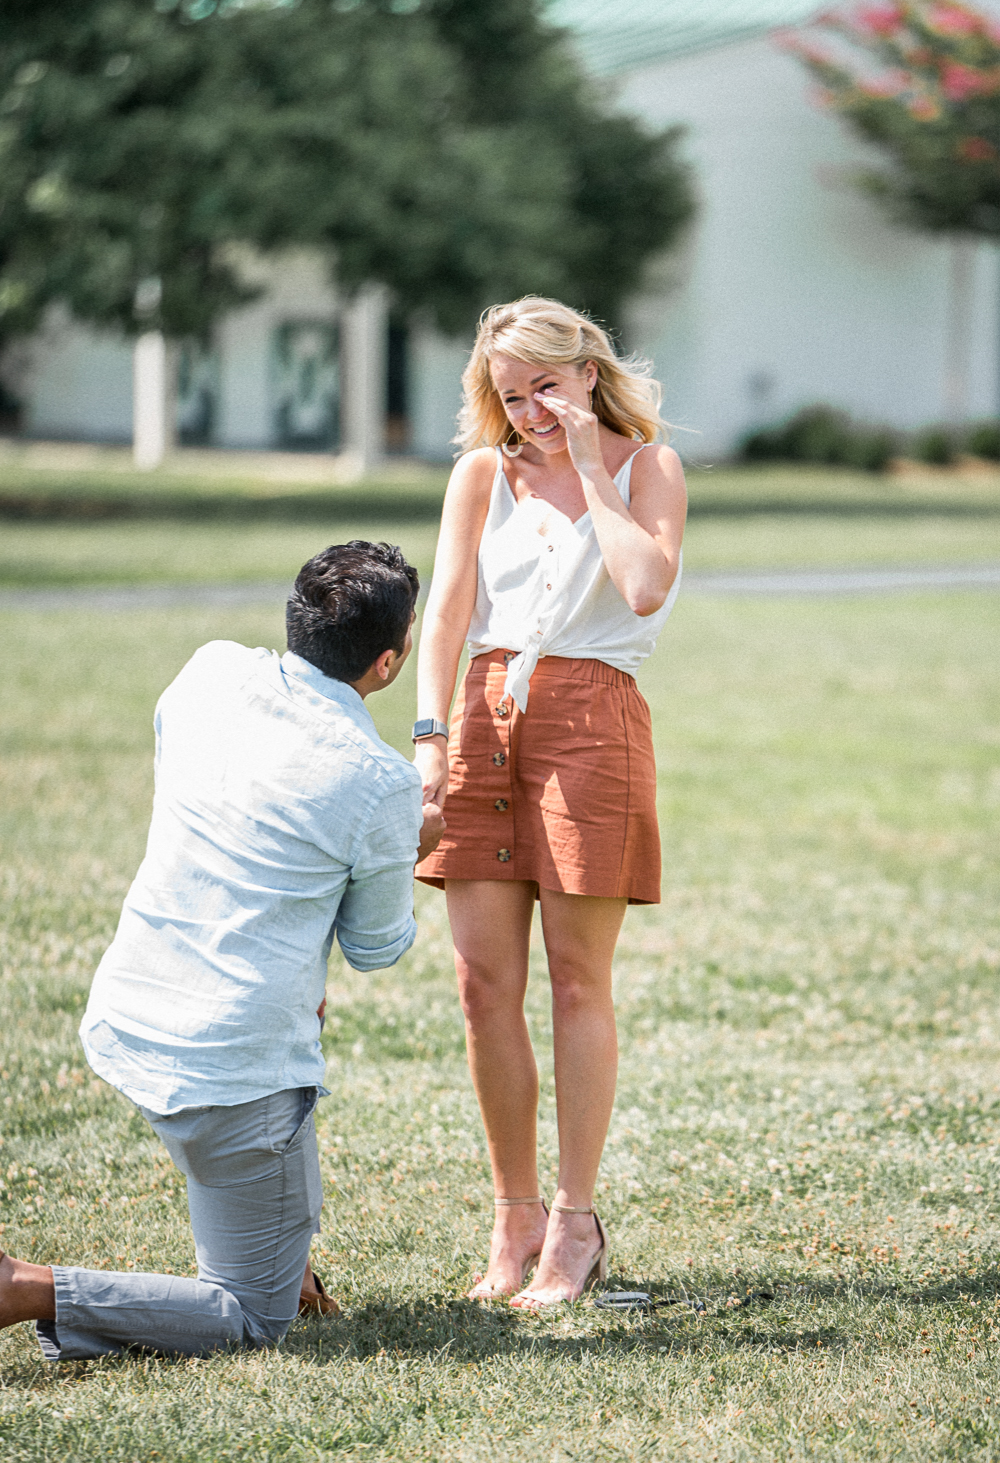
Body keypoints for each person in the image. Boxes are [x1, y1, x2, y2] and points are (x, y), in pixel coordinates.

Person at [0, 541, 445, 1359]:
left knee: (262, 1197)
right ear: (391, 660)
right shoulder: (383, 784)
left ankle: (282, 1246)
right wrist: (410, 842)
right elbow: (377, 949)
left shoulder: (208, 670)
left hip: (130, 1019)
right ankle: (23, 1287)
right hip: (229, 1072)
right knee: (249, 1315)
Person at [413, 297, 686, 1308]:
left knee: (578, 980)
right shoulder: (481, 473)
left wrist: (592, 468)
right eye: (510, 393)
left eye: (547, 387)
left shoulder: (648, 467)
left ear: (585, 371)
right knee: (482, 986)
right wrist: (430, 735)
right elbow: (445, 611)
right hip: (483, 717)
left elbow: (645, 585)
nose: (529, 410)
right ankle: (512, 1216)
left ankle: (576, 1223)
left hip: (592, 716)